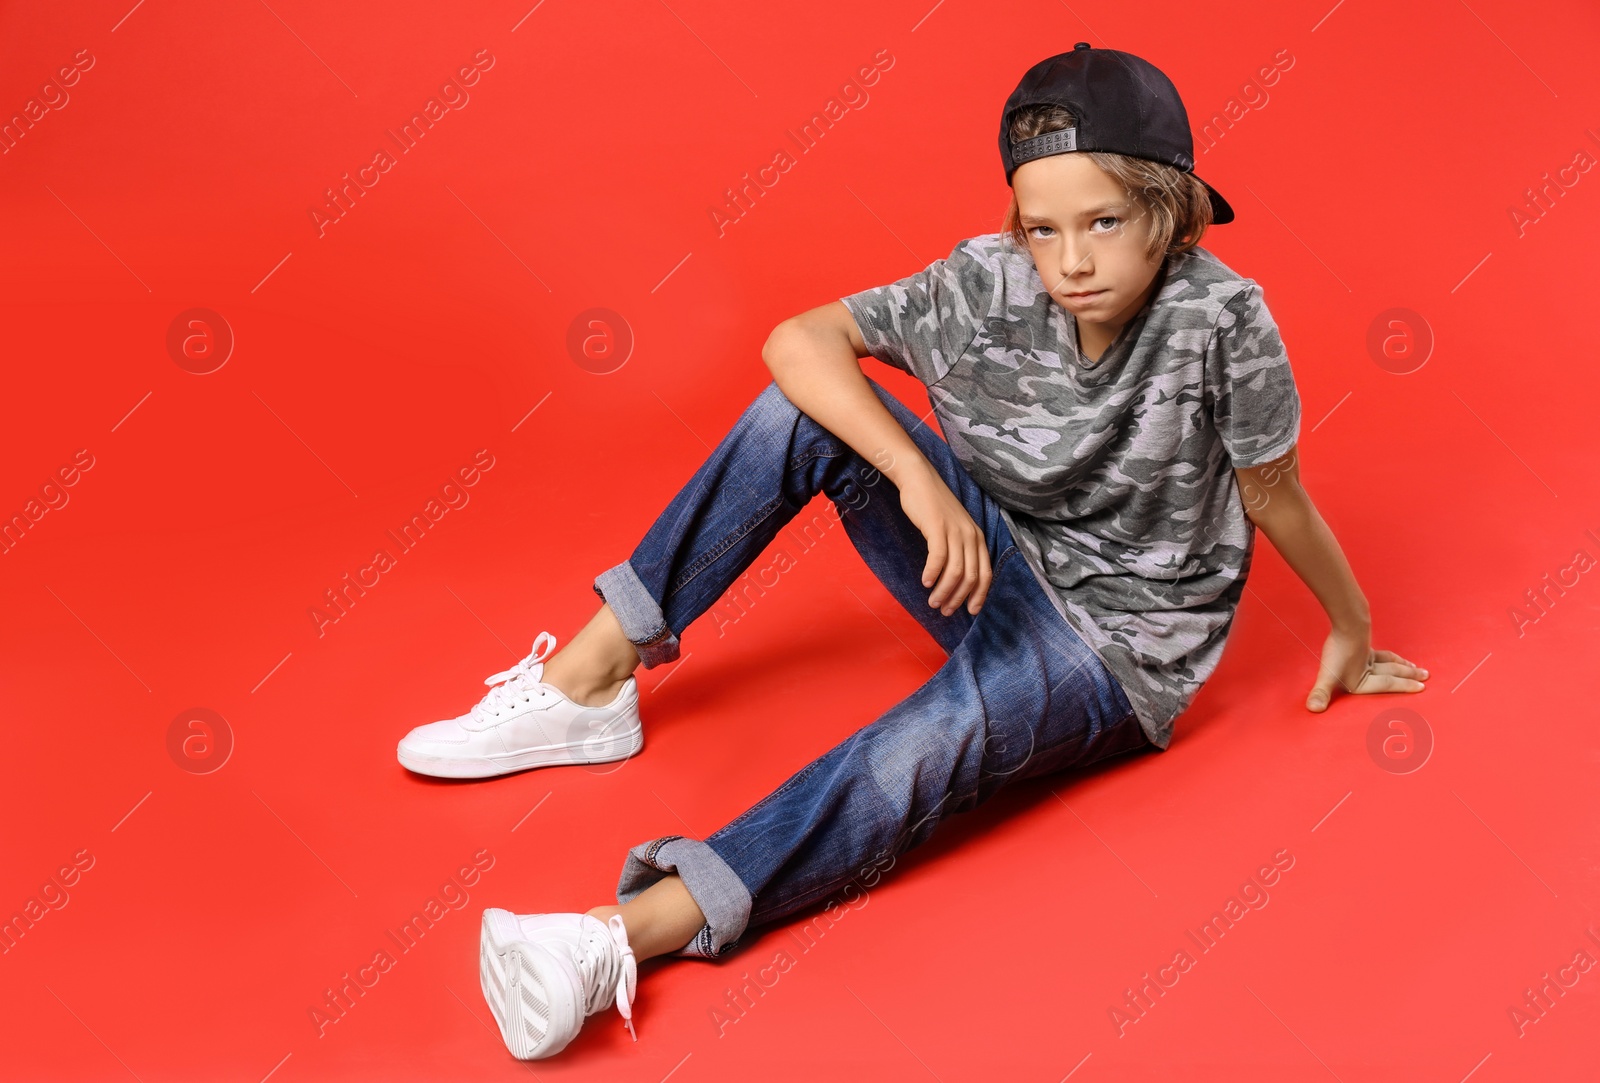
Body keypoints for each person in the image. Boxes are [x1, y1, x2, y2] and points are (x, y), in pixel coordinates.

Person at [396, 43, 1429, 1061]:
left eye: (1104, 223)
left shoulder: (1221, 318)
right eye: (1043, 228)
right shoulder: (987, 283)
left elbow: (1273, 493)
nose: (1070, 261)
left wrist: (1351, 625)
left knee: (924, 743)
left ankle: (611, 938)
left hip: (1113, 648)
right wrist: (916, 476)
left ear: (1169, 210)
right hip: (984, 558)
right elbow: (798, 341)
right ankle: (591, 682)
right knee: (796, 415)